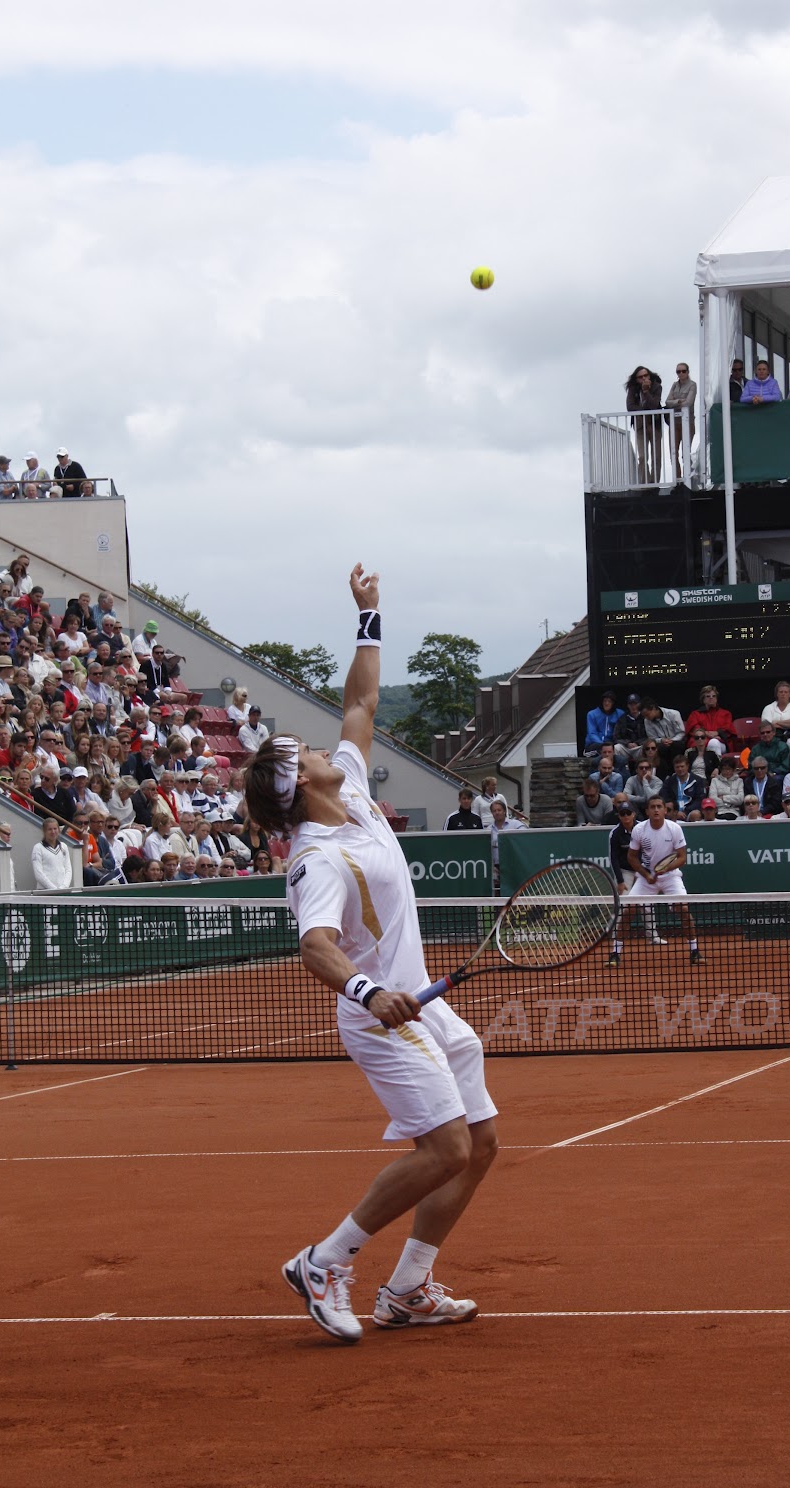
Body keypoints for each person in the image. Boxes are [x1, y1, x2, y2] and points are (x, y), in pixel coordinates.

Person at [241, 564, 497, 1343]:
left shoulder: (348, 786)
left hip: (424, 1000)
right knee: (445, 1146)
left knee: (479, 1145)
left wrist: (368, 615)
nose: (325, 746)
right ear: (299, 784)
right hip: (384, 1016)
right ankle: (323, 1261)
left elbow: (360, 701)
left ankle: (408, 1289)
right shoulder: (317, 857)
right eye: (308, 751)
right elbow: (314, 947)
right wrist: (365, 992)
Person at [606, 794, 700, 966]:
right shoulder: (639, 830)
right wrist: (645, 873)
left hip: (671, 877)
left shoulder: (675, 828)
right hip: (645, 877)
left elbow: (681, 858)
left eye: (659, 806)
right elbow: (632, 857)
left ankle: (695, 951)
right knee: (628, 911)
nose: (656, 810)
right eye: (652, 807)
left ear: (665, 810)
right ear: (647, 811)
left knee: (683, 909)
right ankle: (615, 953)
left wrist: (665, 869)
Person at [625, 365, 664, 483]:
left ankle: (654, 483)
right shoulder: (633, 389)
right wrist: (643, 410)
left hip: (654, 424)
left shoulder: (657, 387)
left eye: (645, 375)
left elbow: (654, 405)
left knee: (656, 456)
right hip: (640, 425)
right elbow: (630, 407)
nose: (643, 378)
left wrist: (646, 391)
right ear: (636, 379)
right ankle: (645, 482)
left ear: (649, 375)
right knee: (642, 456)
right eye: (640, 377)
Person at [663, 361, 696, 477]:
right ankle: (677, 478)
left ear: (688, 372)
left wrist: (675, 402)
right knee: (673, 452)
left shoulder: (692, 385)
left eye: (683, 371)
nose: (681, 373)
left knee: (685, 452)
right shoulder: (674, 385)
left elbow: (688, 402)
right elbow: (667, 402)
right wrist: (678, 401)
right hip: (674, 422)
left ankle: (687, 477)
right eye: (678, 371)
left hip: (687, 422)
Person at [31, 816, 73, 890]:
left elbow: (68, 869)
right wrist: (53, 888)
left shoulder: (64, 846)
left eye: (55, 829)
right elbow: (38, 873)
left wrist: (64, 886)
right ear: (44, 831)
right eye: (49, 829)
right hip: (45, 891)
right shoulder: (38, 848)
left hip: (63, 890)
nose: (53, 832)